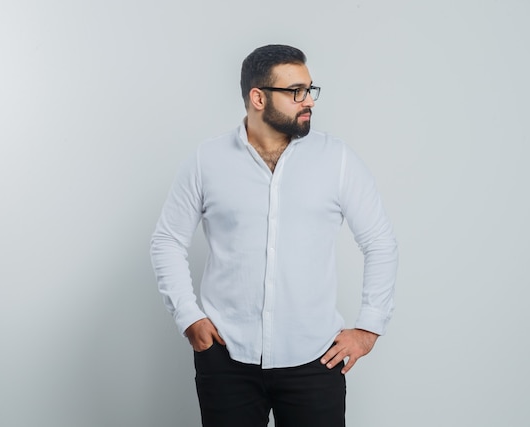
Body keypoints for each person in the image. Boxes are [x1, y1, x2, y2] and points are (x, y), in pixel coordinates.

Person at [150, 44, 398, 427]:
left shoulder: (338, 160)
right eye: (295, 91)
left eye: (310, 90)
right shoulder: (207, 160)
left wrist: (369, 326)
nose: (308, 102)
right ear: (258, 97)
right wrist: (188, 316)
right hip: (226, 357)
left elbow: (379, 241)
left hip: (315, 358)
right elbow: (167, 240)